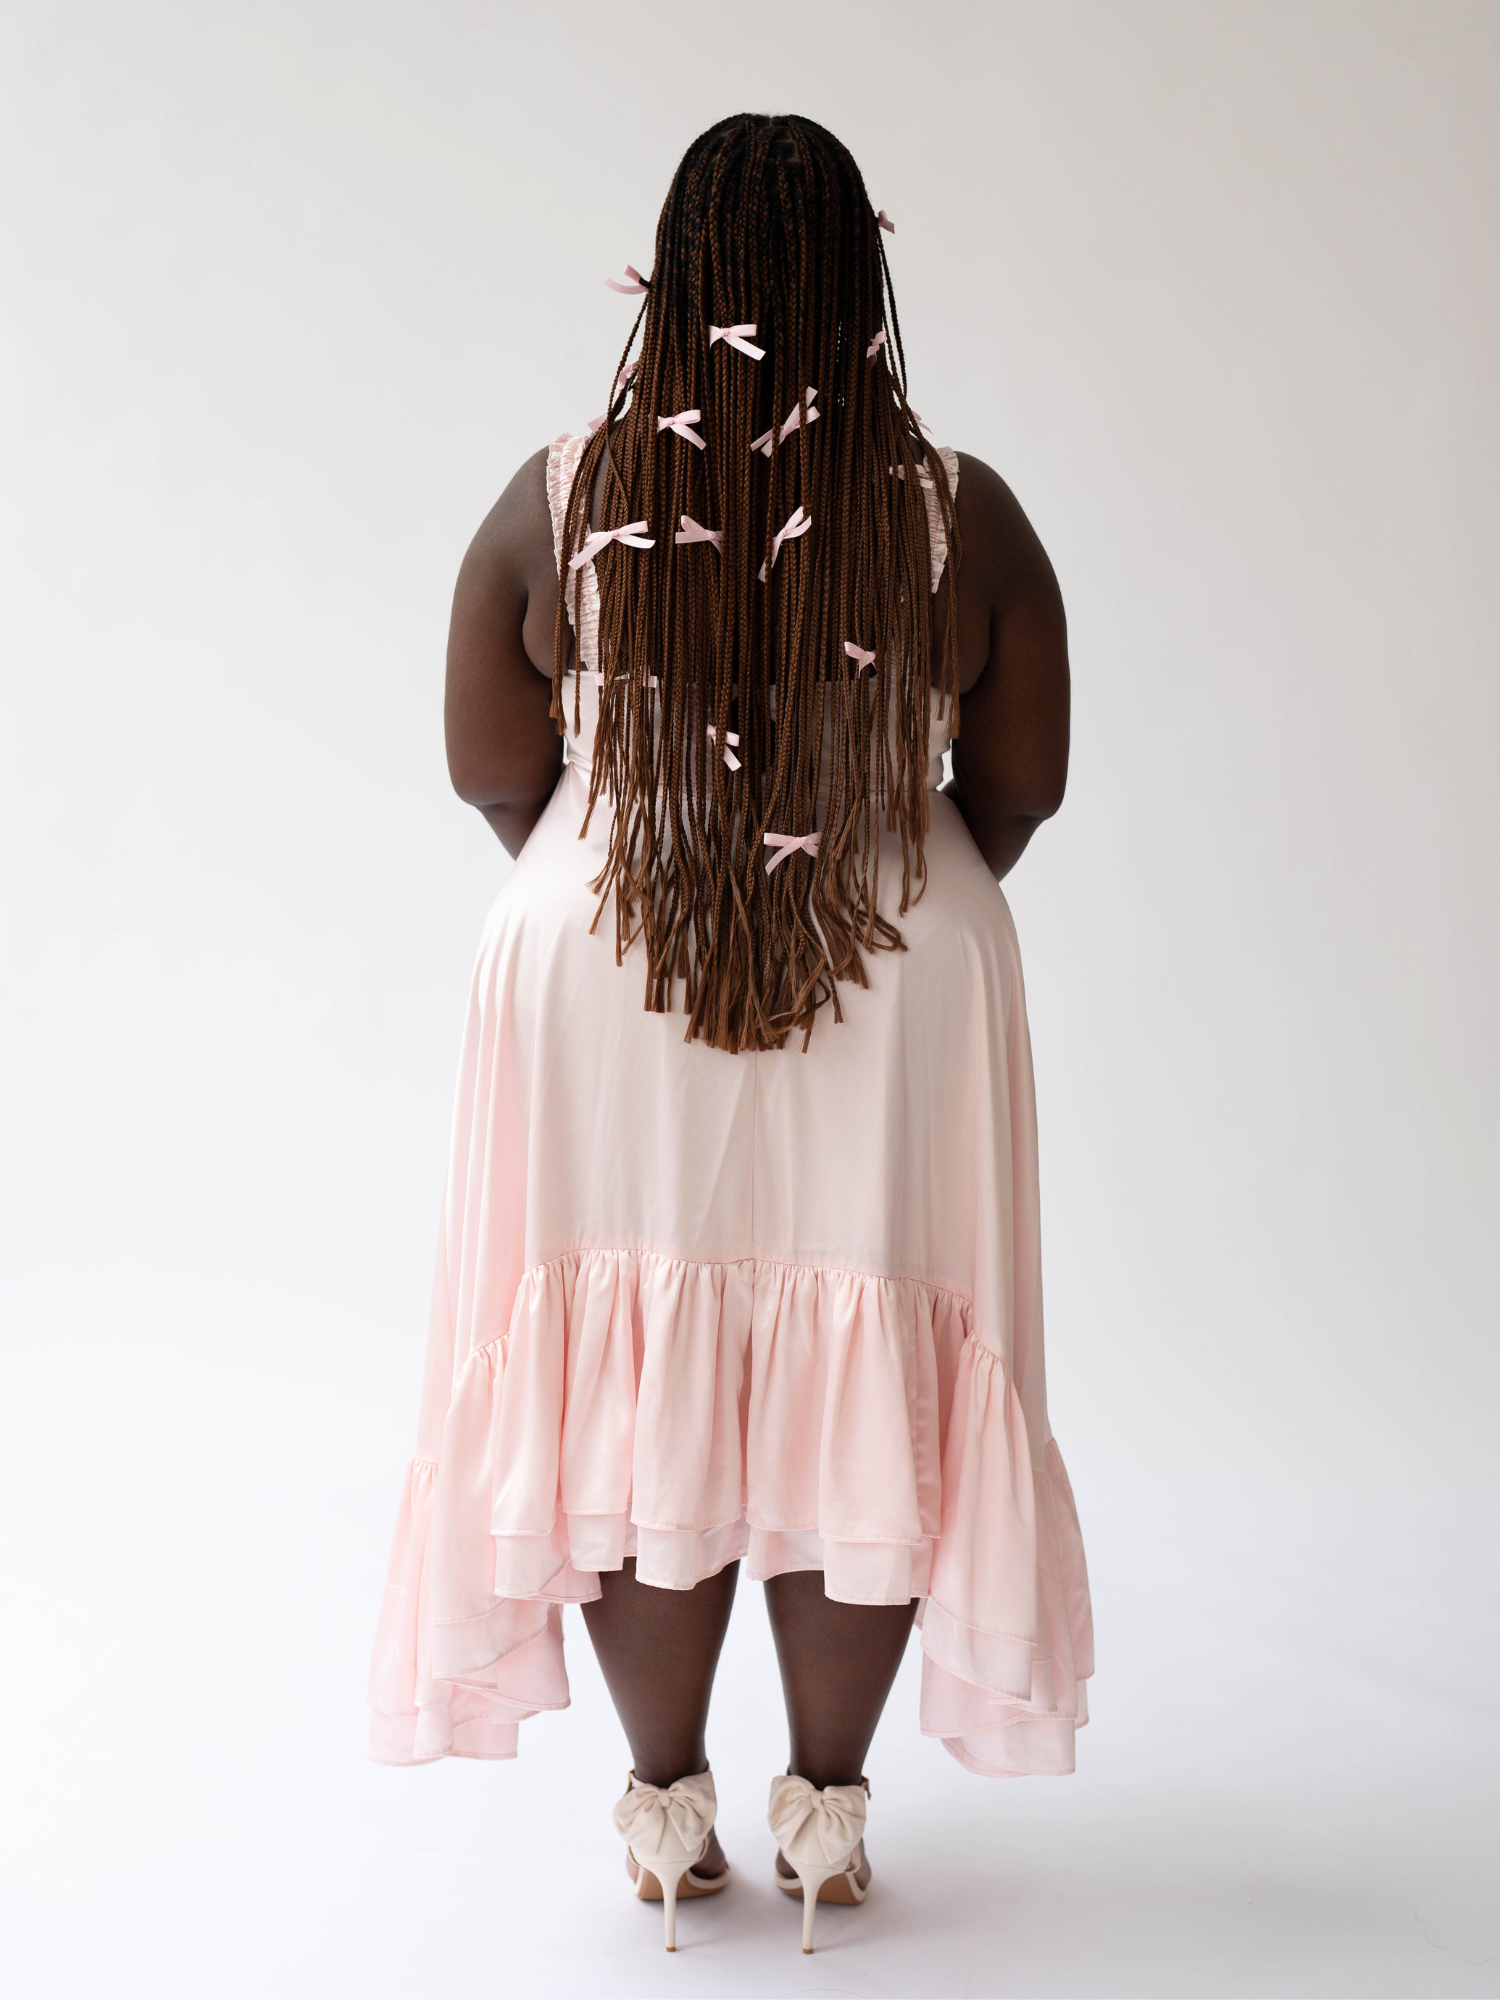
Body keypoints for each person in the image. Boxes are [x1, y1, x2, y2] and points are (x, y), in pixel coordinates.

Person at [368, 112, 1092, 1955]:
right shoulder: (961, 510)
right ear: (864, 284)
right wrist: (888, 883)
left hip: (608, 957)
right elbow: (1021, 786)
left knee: (633, 1370)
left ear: (670, 279)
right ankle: (831, 1818)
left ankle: (666, 1807)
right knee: (869, 1352)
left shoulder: (559, 497)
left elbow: (485, 764)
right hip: (895, 960)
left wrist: (641, 861)